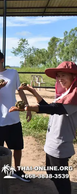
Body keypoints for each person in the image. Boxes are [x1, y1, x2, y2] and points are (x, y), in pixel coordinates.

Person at [9, 61, 77, 194]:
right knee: (51, 172)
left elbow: (56, 109)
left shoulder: (74, 96)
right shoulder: (64, 95)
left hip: (61, 144)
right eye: (58, 76)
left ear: (73, 78)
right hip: (52, 141)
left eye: (64, 75)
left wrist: (27, 108)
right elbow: (49, 107)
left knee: (60, 177)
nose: (60, 79)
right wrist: (32, 91)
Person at [0, 46, 32, 182]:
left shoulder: (13, 73)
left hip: (12, 117)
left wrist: (27, 107)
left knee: (17, 147)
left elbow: (20, 90)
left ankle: (17, 170)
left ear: (2, 60)